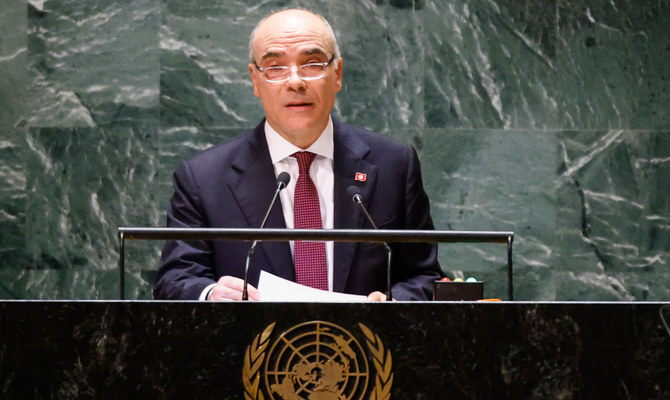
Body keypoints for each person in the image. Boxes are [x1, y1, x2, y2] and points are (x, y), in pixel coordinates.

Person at [154, 8, 443, 301]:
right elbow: (175, 279)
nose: (295, 81)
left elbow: (426, 277)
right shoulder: (203, 178)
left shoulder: (394, 164)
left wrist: (393, 306)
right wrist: (209, 294)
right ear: (255, 80)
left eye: (312, 63)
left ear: (337, 74)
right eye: (276, 67)